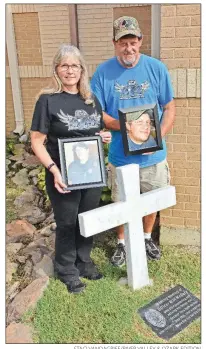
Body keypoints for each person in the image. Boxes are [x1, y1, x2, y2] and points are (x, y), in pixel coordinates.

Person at [91, 16, 175, 266]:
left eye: (133, 41)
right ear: (114, 43)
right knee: (121, 202)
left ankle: (147, 237)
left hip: (153, 155)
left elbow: (169, 107)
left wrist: (157, 136)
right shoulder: (103, 73)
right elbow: (98, 113)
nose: (128, 47)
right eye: (123, 42)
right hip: (121, 155)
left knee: (152, 199)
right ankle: (122, 242)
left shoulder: (156, 68)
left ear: (140, 41)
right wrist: (125, 127)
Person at [30, 44, 111, 294]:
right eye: (64, 65)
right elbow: (36, 140)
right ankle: (66, 269)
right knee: (66, 222)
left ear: (82, 69)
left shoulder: (89, 99)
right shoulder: (47, 100)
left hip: (91, 172)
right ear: (57, 69)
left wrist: (102, 136)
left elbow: (91, 132)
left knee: (88, 219)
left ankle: (83, 261)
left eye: (74, 65)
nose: (70, 70)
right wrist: (54, 170)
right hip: (63, 173)